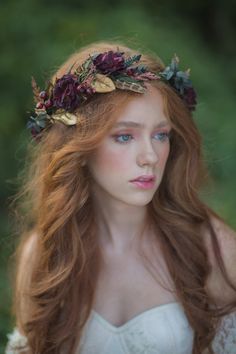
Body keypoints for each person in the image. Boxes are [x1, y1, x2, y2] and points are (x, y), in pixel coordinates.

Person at [5, 40, 236, 354]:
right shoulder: (46, 252)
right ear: (81, 148)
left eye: (160, 134)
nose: (150, 156)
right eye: (125, 136)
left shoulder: (211, 247)